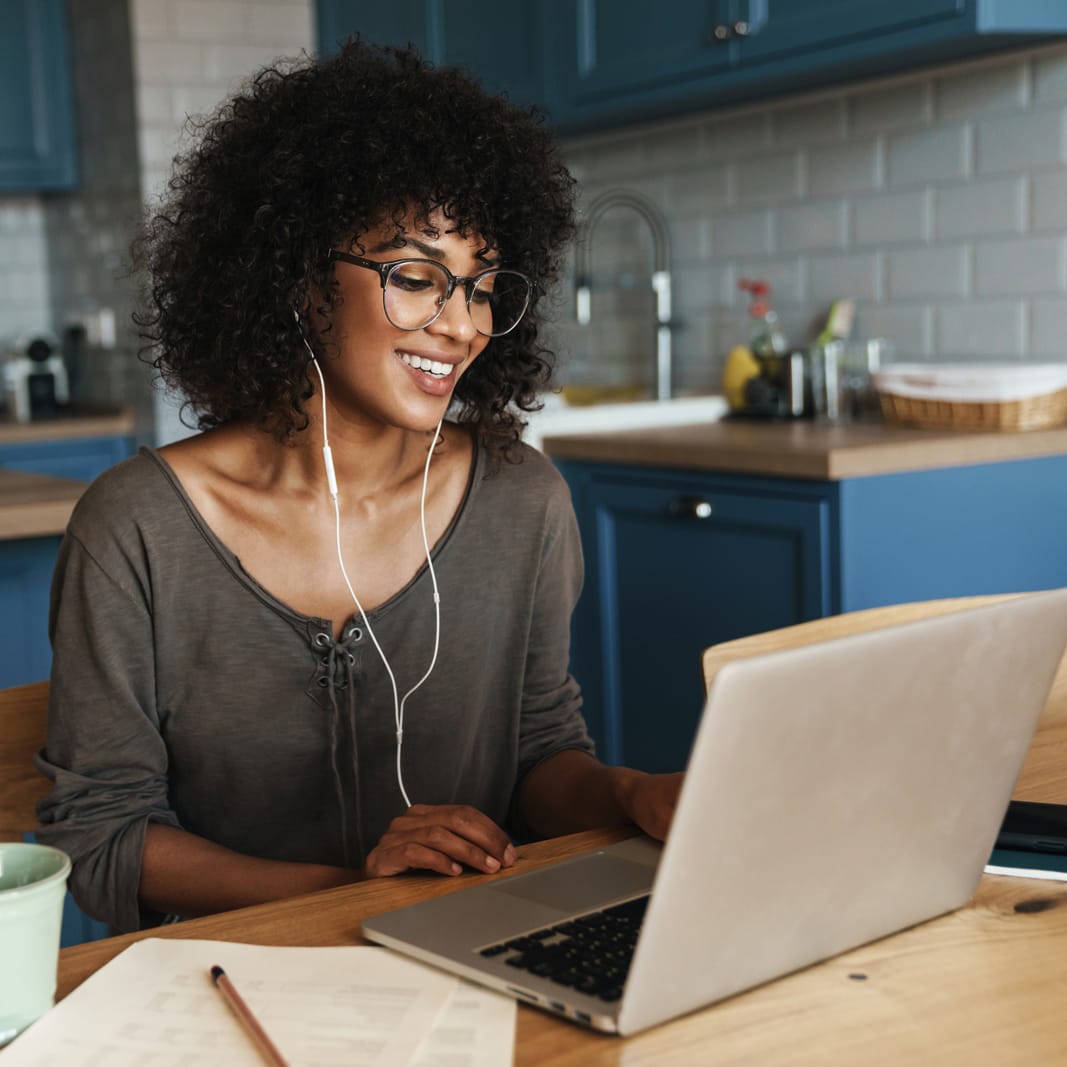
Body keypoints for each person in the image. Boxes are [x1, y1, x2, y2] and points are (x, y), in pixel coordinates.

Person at [35, 39, 683, 935]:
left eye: (483, 287)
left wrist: (633, 792)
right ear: (299, 280)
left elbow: (540, 755)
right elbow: (104, 836)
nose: (460, 326)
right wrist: (355, 891)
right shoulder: (136, 526)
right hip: (228, 976)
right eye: (416, 278)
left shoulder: (519, 498)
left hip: (470, 952)